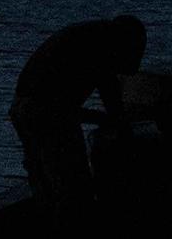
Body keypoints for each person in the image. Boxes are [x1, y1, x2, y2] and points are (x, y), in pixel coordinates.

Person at [10, 15, 146, 210]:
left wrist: (106, 119)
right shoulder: (101, 47)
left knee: (45, 184)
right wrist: (121, 129)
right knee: (73, 188)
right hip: (43, 114)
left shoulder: (90, 37)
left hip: (23, 109)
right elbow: (110, 99)